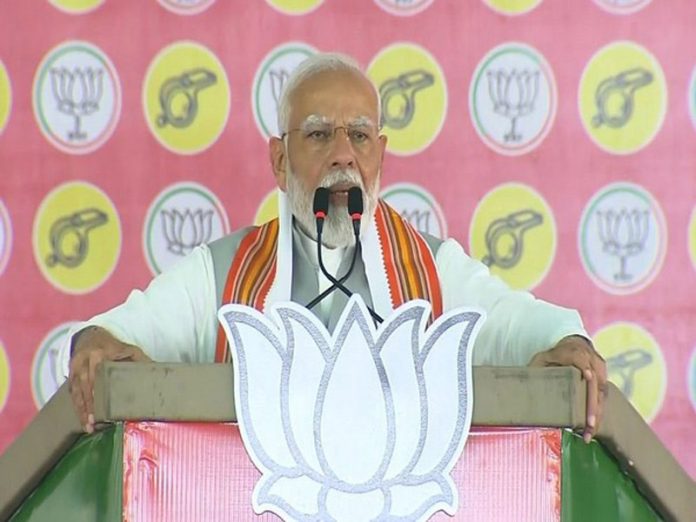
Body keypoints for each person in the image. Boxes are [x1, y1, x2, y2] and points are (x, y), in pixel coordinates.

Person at [61, 52, 607, 442]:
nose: (344, 155)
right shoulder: (223, 273)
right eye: (320, 134)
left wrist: (568, 340)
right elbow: (123, 333)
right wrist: (98, 344)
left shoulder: (431, 267)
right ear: (279, 160)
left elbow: (516, 324)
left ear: (380, 157)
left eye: (361, 136)